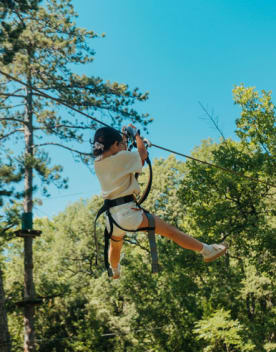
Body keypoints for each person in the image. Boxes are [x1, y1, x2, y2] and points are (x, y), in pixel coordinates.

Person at [93, 125, 227, 279]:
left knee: (115, 244)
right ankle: (207, 251)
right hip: (128, 214)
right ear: (115, 145)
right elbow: (142, 155)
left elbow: (121, 156)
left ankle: (114, 270)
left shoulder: (98, 163)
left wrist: (123, 139)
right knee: (170, 231)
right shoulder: (122, 158)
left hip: (112, 218)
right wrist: (137, 136)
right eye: (120, 144)